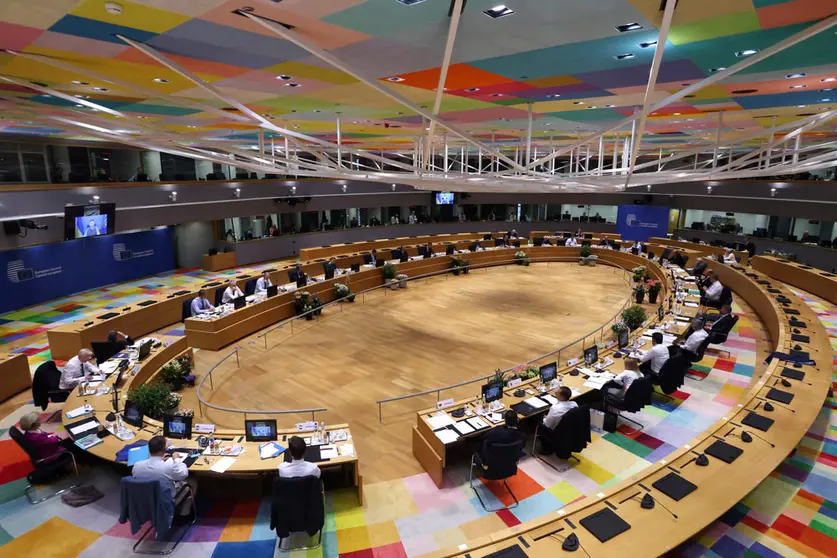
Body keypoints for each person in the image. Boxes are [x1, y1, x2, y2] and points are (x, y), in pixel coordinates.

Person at [132, 435, 196, 515]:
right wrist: (176, 459)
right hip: (165, 500)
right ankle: (183, 515)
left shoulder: (137, 465)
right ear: (164, 449)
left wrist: (159, 459)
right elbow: (183, 473)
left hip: (145, 500)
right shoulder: (167, 467)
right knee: (192, 481)